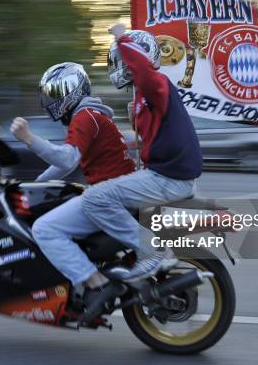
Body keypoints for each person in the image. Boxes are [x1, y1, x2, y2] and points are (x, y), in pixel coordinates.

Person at [10, 62, 136, 322]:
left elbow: (67, 159)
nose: (49, 102)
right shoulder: (91, 116)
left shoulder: (86, 117)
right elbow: (66, 163)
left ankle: (96, 283)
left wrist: (29, 139)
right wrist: (33, 184)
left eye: (54, 95)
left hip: (109, 197)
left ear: (71, 92)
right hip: (118, 193)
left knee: (45, 229)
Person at [80, 23, 203, 284]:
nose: (118, 65)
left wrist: (122, 39)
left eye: (121, 59)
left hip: (168, 178)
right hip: (167, 174)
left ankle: (150, 251)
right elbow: (150, 140)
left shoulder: (156, 83)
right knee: (108, 193)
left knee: (93, 199)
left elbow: (145, 73)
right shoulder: (145, 97)